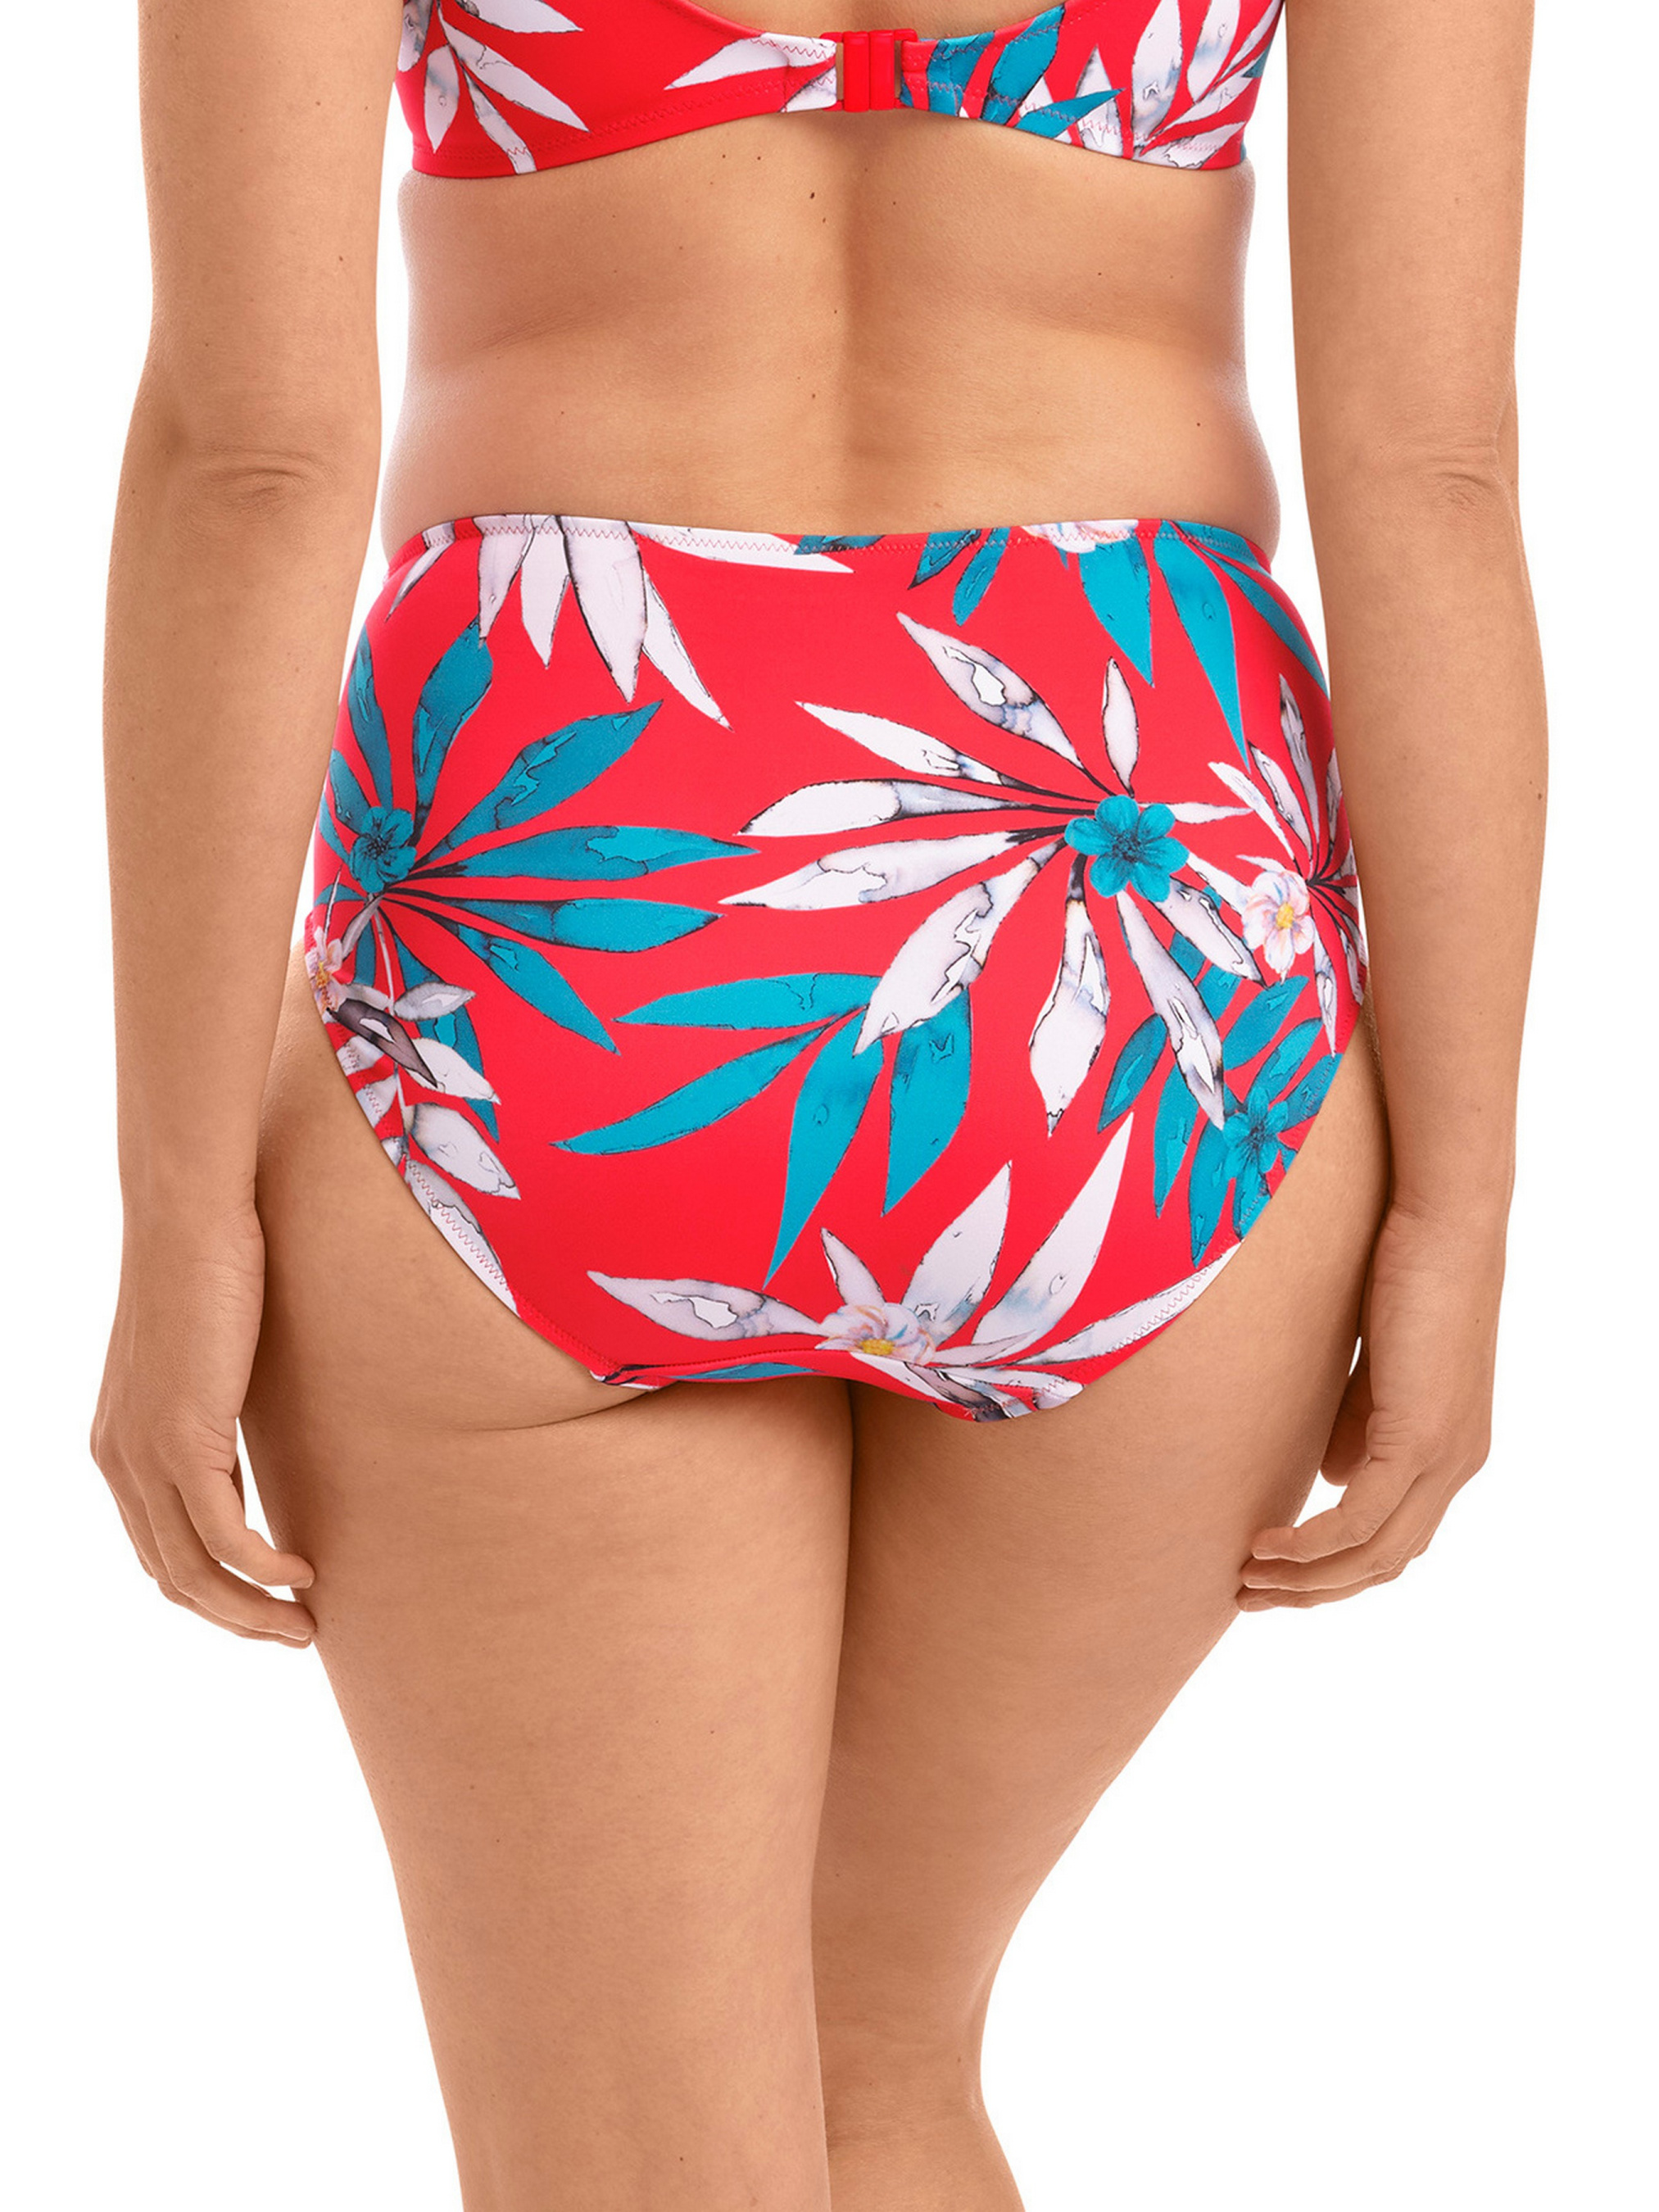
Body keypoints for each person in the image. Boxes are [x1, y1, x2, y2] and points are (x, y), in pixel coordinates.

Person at [91, 1, 1544, 2203]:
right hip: (1143, 957)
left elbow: (253, 457)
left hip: (560, 909)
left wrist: (181, 1197)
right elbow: (1431, 472)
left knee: (633, 2156)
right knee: (872, 2052)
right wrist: (1459, 1198)